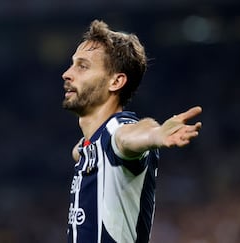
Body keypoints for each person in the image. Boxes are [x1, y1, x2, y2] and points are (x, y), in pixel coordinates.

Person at [62, 19, 202, 243]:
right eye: (72, 64)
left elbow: (132, 135)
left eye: (83, 66)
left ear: (116, 81)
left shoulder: (118, 130)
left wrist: (156, 135)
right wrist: (83, 149)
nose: (67, 74)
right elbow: (81, 150)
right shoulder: (91, 145)